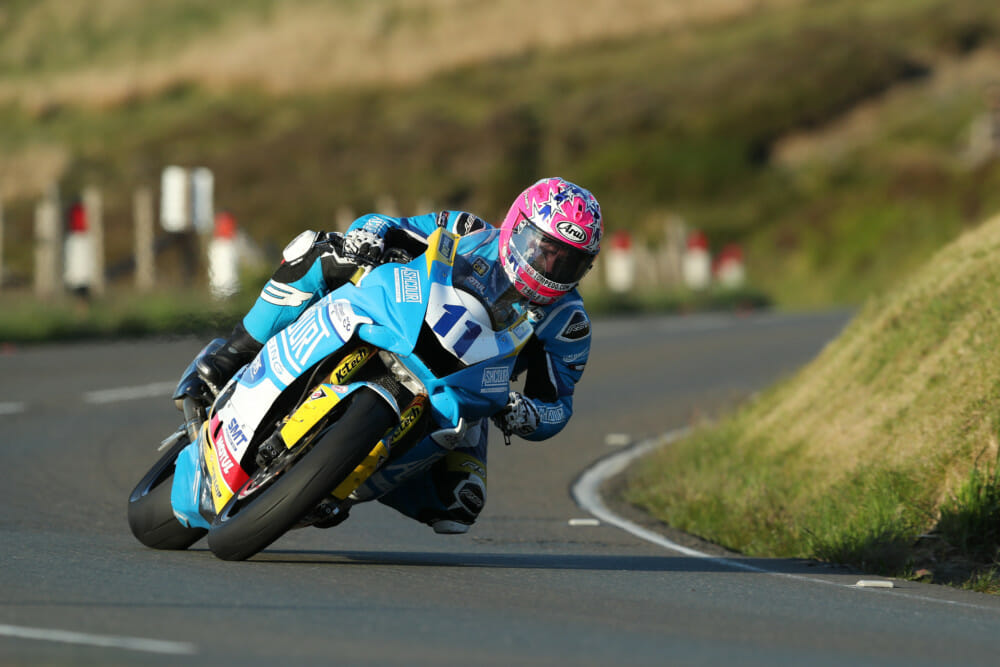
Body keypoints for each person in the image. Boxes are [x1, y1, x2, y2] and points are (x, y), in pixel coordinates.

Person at [197, 177, 603, 534]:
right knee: (322, 248)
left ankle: (339, 485)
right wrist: (368, 237)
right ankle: (236, 351)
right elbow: (388, 224)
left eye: (568, 261)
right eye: (544, 248)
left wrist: (527, 415)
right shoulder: (467, 230)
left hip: (465, 387)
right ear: (517, 226)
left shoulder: (568, 322)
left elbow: (558, 405)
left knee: (461, 503)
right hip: (402, 316)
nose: (550, 265)